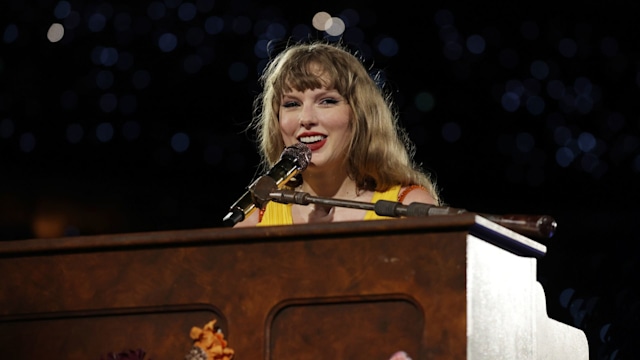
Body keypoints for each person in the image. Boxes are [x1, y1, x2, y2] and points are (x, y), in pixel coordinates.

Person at [234, 40, 440, 227]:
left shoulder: (408, 209)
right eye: (292, 104)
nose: (306, 118)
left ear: (359, 114)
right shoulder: (254, 219)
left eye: (327, 101)